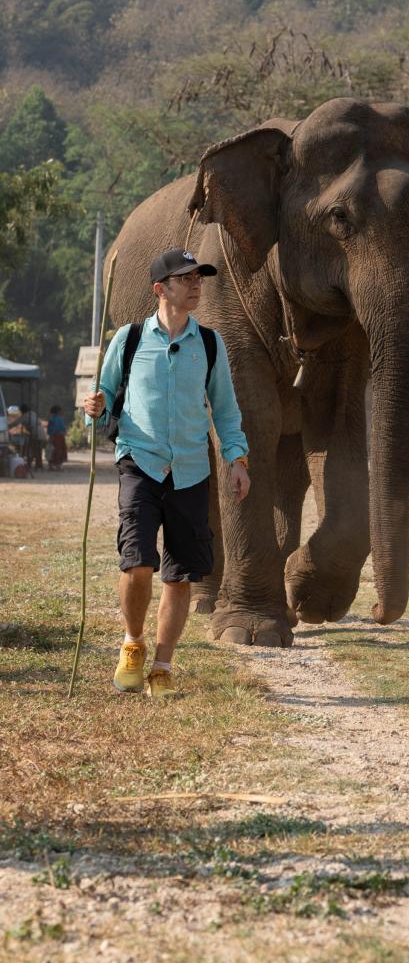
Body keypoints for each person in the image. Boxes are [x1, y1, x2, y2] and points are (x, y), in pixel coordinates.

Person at [84, 248, 250, 699]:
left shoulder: (211, 343)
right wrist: (95, 407)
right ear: (160, 288)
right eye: (186, 278)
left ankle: (161, 663)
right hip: (140, 462)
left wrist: (237, 459)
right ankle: (133, 644)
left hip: (192, 470)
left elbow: (227, 411)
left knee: (178, 577)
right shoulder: (129, 338)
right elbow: (105, 394)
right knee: (136, 563)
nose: (196, 284)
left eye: (199, 277)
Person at [47, 405, 68, 470]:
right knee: (58, 451)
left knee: (52, 450)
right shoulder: (59, 419)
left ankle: (51, 465)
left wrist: (51, 436)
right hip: (59, 437)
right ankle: (58, 465)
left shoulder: (52, 419)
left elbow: (50, 430)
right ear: (58, 411)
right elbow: (62, 428)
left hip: (54, 436)